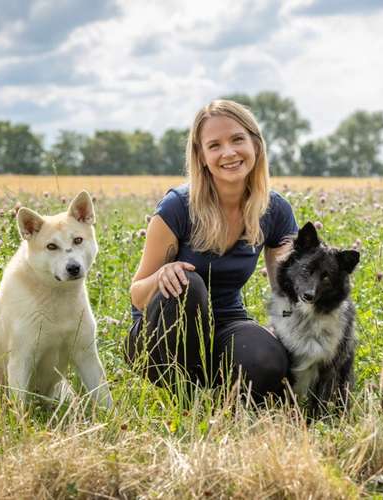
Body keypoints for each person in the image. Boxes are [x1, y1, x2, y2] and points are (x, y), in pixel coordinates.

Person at [127, 99, 297, 401]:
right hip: (163, 337)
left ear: (255, 145)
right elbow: (138, 296)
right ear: (201, 156)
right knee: (186, 283)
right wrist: (162, 276)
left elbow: (287, 292)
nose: (229, 153)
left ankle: (223, 392)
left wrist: (280, 331)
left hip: (226, 325)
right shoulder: (177, 207)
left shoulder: (274, 210)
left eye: (237, 139)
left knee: (268, 359)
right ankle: (185, 395)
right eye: (214, 145)